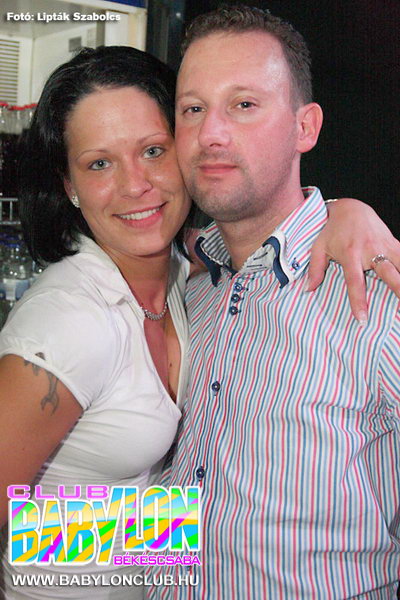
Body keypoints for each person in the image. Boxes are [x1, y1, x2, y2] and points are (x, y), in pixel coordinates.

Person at [0, 41, 397, 600]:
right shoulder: (69, 321)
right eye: (99, 163)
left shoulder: (195, 277)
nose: (135, 184)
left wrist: (343, 211)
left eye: (153, 151)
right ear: (69, 186)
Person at [147, 6, 400, 600]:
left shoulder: (377, 294)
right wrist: (35, 546)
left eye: (244, 104)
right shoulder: (186, 289)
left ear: (305, 127)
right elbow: (193, 517)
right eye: (192, 109)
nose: (211, 133)